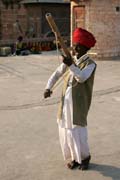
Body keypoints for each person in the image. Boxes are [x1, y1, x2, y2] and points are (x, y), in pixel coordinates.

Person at [44, 28, 97, 170]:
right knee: (66, 131)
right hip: (65, 103)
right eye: (74, 45)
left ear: (85, 48)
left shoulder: (91, 64)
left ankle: (85, 158)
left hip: (78, 105)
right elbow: (56, 73)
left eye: (78, 45)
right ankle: (74, 158)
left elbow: (81, 77)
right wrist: (48, 87)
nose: (74, 48)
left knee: (78, 132)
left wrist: (71, 65)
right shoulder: (71, 60)